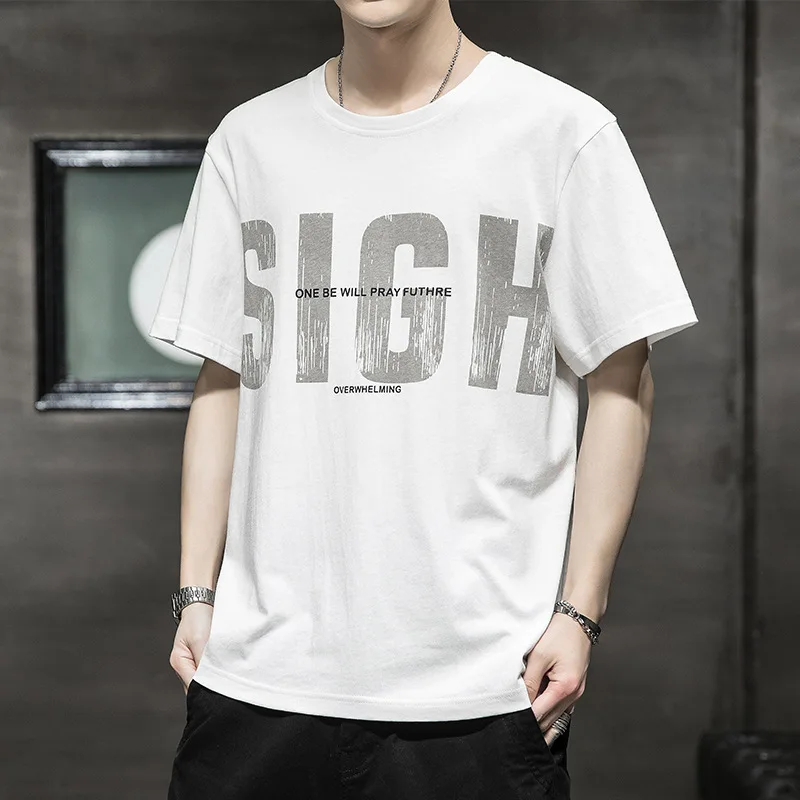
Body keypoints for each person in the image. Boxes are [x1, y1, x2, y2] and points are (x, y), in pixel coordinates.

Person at [149, 1, 699, 798]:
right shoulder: (250, 140)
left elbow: (623, 377)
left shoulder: (560, 131)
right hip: (258, 682)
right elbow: (222, 376)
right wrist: (197, 593)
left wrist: (579, 613)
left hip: (484, 689)